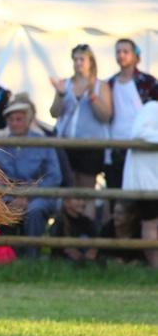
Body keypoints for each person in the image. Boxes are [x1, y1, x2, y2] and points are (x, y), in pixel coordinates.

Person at [50, 44, 113, 260]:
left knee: (85, 194)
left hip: (90, 145)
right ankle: (67, 242)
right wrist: (60, 94)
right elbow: (54, 112)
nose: (78, 63)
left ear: (90, 62)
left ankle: (86, 242)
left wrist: (93, 97)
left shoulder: (100, 86)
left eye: (82, 59)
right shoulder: (66, 84)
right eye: (75, 59)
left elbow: (106, 115)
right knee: (69, 191)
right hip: (67, 143)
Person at [0, 94, 63, 255]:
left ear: (28, 120)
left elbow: (54, 176)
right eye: (12, 119)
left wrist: (28, 195)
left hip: (39, 195)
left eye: (19, 119)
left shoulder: (43, 142)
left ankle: (32, 258)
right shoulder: (0, 146)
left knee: (35, 210)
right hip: (8, 195)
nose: (15, 123)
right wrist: (11, 196)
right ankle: (1, 256)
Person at [105, 38, 157, 243]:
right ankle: (116, 247)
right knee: (117, 202)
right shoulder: (110, 83)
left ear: (136, 55)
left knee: (144, 205)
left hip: (142, 150)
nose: (121, 55)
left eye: (125, 51)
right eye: (118, 51)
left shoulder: (148, 82)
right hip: (116, 149)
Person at [122, 100, 158, 268]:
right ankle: (155, 267)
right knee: (151, 223)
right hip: (146, 179)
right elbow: (138, 132)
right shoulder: (151, 108)